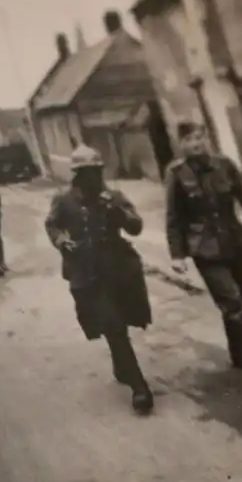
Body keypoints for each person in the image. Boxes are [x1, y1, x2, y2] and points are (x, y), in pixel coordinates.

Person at [164, 121, 242, 392]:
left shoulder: (223, 164)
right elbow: (174, 217)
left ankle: (238, 354)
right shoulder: (176, 173)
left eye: (199, 137)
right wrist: (177, 255)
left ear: (205, 138)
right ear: (181, 144)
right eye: (189, 140)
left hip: (233, 242)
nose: (195, 143)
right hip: (203, 249)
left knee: (237, 301)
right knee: (232, 304)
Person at [44, 144, 155, 414]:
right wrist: (62, 241)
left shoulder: (113, 196)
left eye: (96, 171)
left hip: (118, 269)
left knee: (120, 323)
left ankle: (122, 365)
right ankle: (139, 386)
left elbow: (135, 226)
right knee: (113, 325)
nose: (93, 177)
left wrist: (117, 211)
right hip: (87, 271)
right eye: (86, 172)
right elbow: (52, 224)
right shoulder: (64, 199)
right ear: (76, 175)